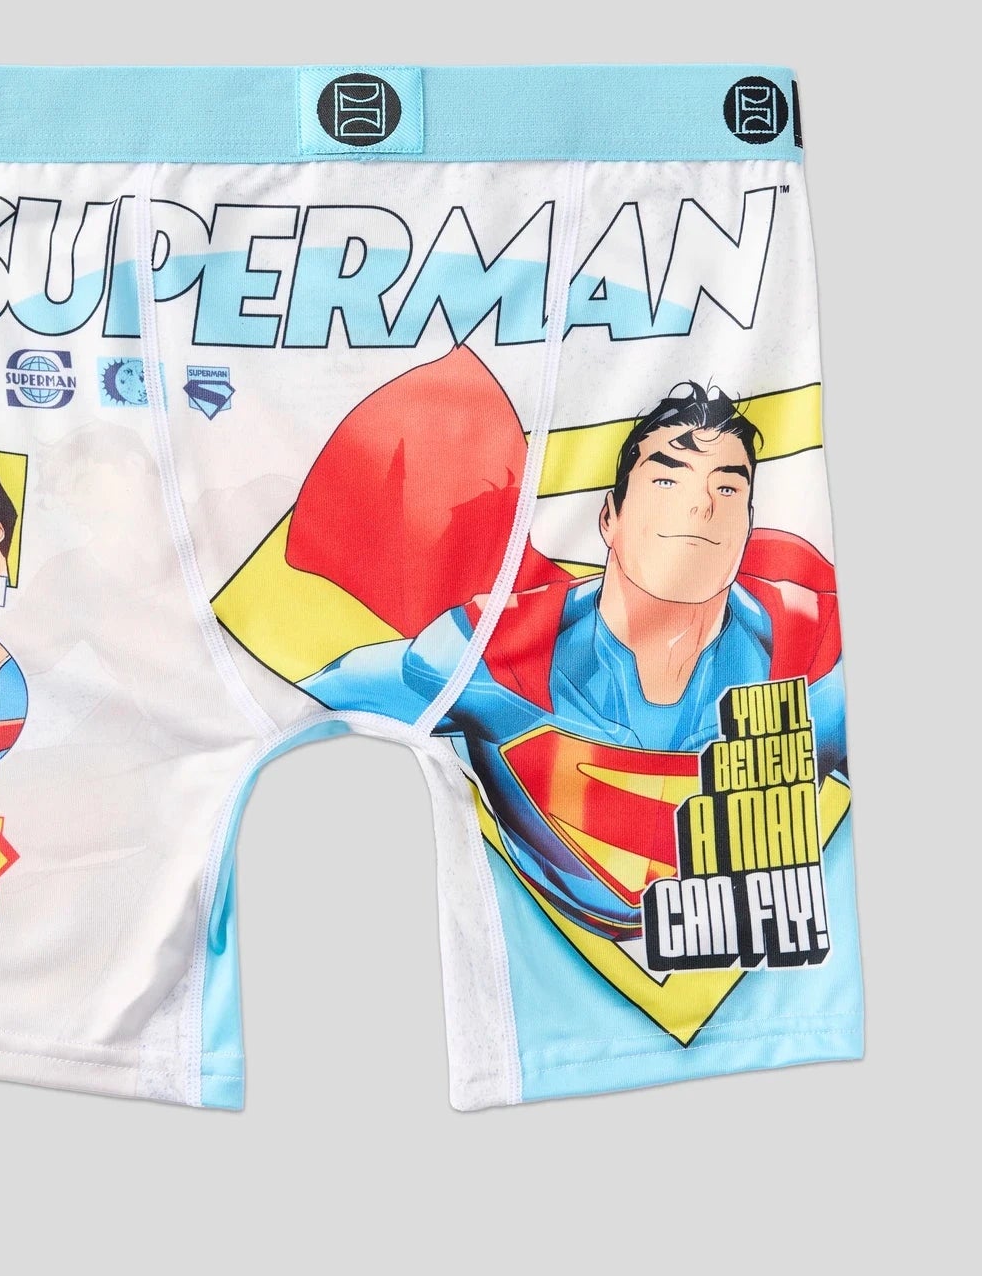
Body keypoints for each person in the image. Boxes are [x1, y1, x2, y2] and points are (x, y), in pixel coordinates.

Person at [295, 362, 845, 940]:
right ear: (610, 517)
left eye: (727, 487)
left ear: (748, 522)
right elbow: (303, 699)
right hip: (533, 947)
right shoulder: (490, 658)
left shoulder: (817, 661)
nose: (700, 505)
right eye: (668, 480)